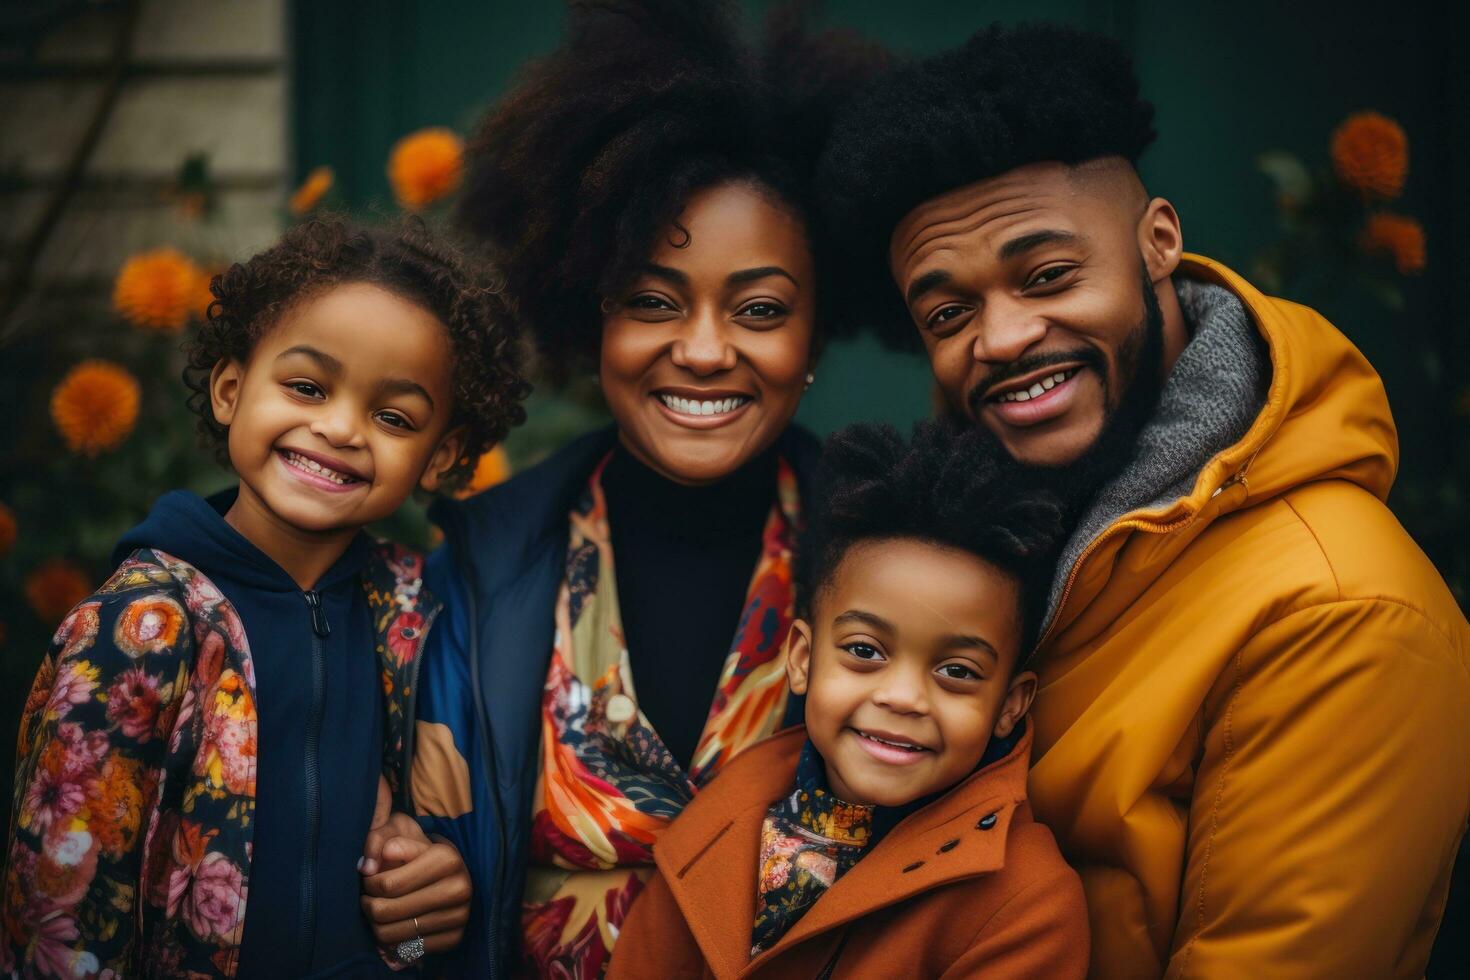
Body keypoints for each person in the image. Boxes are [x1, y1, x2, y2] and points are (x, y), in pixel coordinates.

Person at [816, 22, 1470, 978]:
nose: (1000, 337)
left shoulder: (1345, 615)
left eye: (1047, 276)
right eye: (949, 313)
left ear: (1158, 241)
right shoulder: (991, 540)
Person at [375, 1, 887, 975]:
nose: (701, 349)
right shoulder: (472, 581)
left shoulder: (896, 568)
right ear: (590, 313)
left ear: (815, 334)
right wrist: (407, 911)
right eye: (653, 301)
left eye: (761, 308)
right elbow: (393, 919)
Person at [1, 218, 526, 978]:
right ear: (230, 390)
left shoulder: (422, 622)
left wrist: (423, 919)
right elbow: (56, 930)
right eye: (307, 387)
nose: (341, 428)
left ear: (440, 457)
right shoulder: (135, 635)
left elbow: (411, 948)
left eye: (393, 417)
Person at [608, 420, 1088, 979]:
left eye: (957, 670)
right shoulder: (719, 816)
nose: (903, 697)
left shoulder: (1026, 906)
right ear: (803, 660)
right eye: (865, 650)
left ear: (1011, 702)